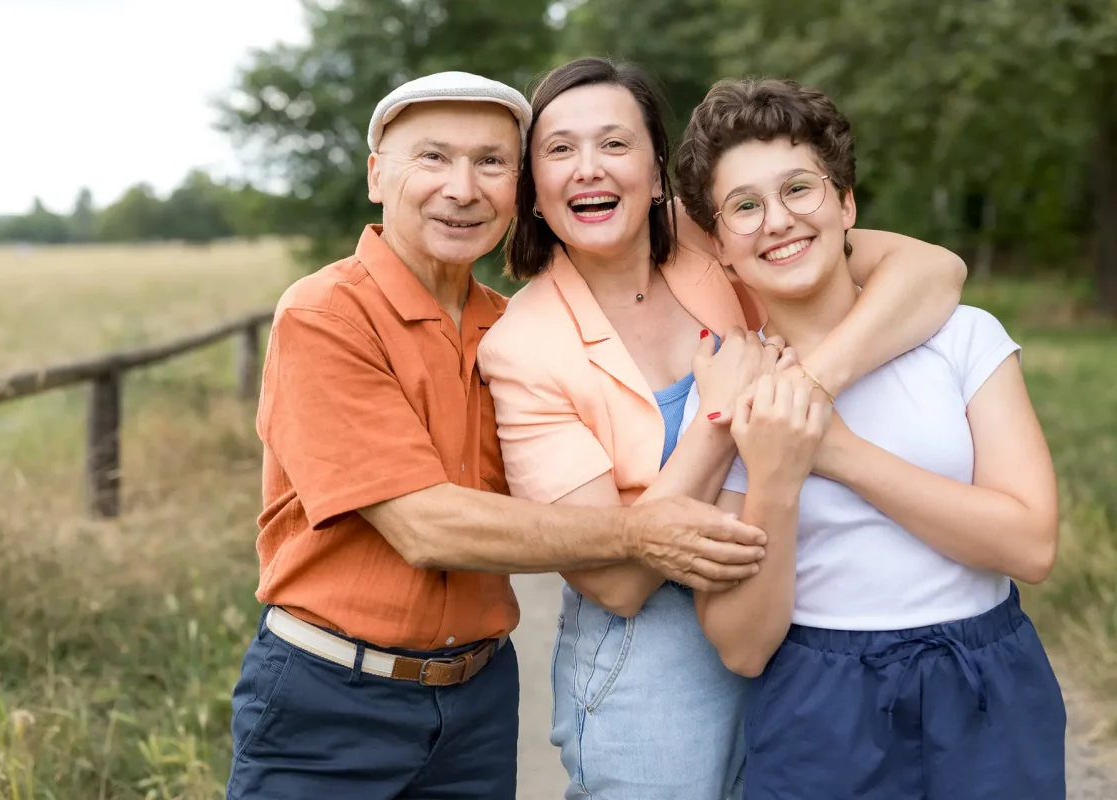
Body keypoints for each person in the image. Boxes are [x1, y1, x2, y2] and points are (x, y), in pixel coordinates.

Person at [225, 71, 776, 800]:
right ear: (376, 176)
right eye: (433, 158)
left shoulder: (502, 324)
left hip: (476, 698)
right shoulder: (326, 314)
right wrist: (644, 534)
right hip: (333, 694)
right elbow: (425, 526)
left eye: (490, 162)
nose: (462, 187)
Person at [476, 57, 968, 800]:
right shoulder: (521, 346)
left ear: (656, 171)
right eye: (559, 150)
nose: (588, 170)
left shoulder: (717, 234)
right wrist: (719, 417)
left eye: (614, 144)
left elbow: (933, 273)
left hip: (797, 611)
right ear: (533, 193)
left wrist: (805, 384)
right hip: (654, 656)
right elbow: (614, 579)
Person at [677, 77, 1065, 799]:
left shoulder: (962, 338)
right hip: (819, 702)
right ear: (721, 246)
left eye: (800, 188)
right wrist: (778, 481)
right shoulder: (734, 387)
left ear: (846, 203)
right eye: (745, 206)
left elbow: (1031, 545)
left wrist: (842, 455)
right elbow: (741, 645)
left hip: (986, 681)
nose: (778, 220)